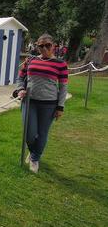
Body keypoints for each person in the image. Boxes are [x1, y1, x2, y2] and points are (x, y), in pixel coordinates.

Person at [12, 34, 68, 173]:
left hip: (49, 104)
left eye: (47, 45)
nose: (44, 48)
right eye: (41, 46)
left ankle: (35, 158)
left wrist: (60, 107)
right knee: (29, 134)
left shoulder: (61, 64)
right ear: (37, 46)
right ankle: (33, 150)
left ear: (54, 45)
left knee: (42, 133)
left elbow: (63, 87)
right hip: (29, 101)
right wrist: (20, 89)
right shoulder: (30, 60)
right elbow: (21, 77)